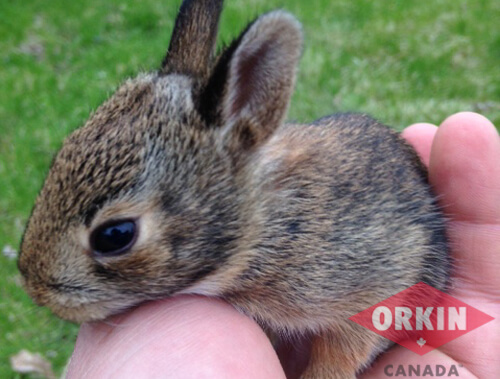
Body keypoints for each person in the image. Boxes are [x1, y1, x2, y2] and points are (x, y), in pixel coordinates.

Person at [66, 112, 499, 379]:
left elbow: (390, 272)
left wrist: (333, 365)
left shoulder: (303, 262)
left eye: (117, 237)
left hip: (407, 284)